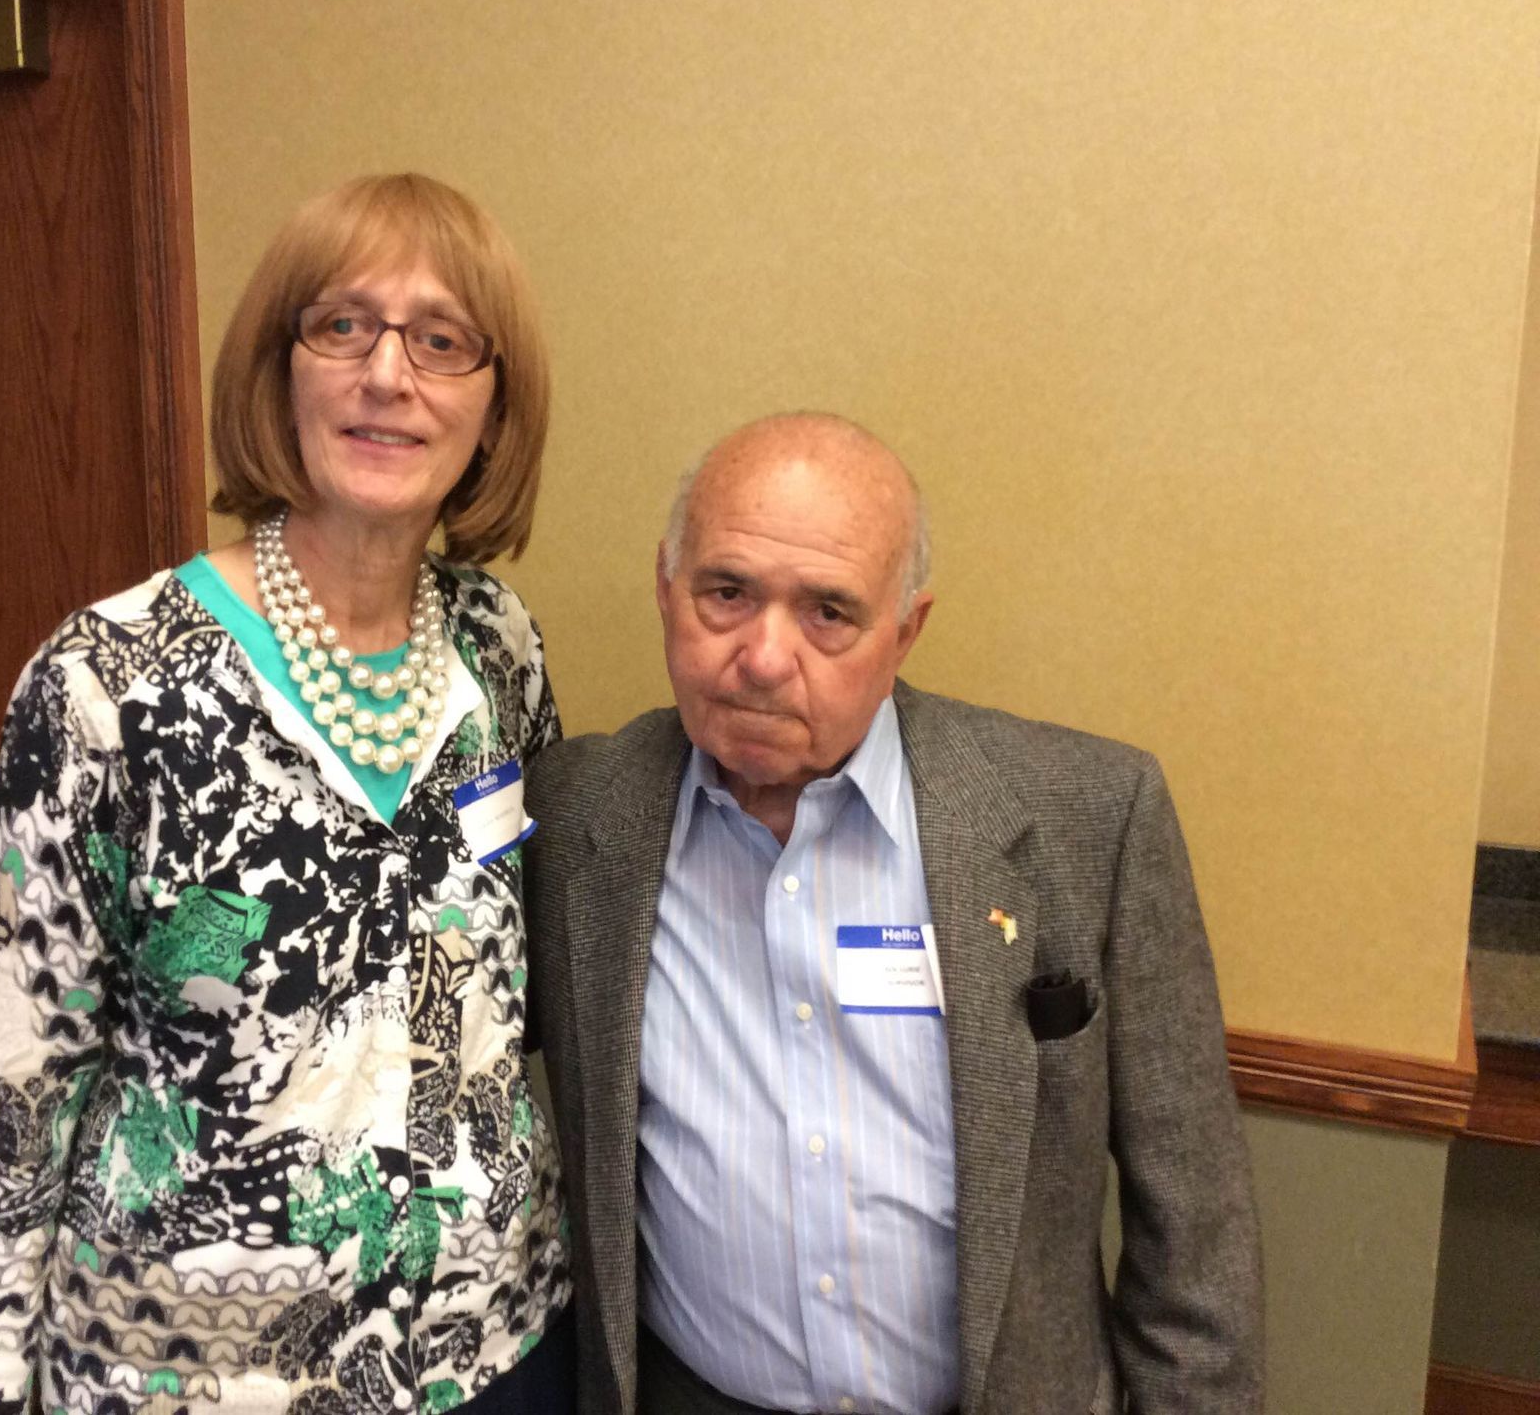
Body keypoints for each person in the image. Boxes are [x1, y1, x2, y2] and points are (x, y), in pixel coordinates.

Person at [0, 174, 572, 1415]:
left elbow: (518, 993)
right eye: (343, 326)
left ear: (495, 407)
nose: (389, 375)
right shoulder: (107, 685)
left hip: (493, 1350)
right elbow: (6, 1102)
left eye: (443, 340)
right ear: (279, 372)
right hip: (197, 1375)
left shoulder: (501, 647)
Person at [526, 413, 1263, 1415]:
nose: (764, 657)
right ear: (666, 588)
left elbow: (1196, 1231)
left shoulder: (1090, 819)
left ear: (905, 631)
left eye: (828, 611)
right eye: (727, 593)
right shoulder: (578, 818)